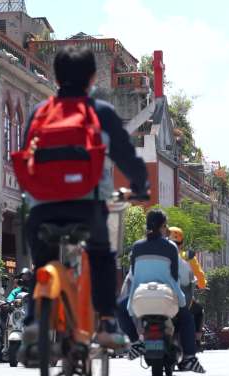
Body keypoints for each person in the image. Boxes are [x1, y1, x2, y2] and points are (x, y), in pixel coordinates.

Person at [21, 45, 149, 348]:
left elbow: (25, 158)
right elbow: (127, 158)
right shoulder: (100, 113)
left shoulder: (40, 113)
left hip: (43, 208)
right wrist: (141, 186)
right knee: (103, 255)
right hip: (87, 206)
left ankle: (36, 317)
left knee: (42, 260)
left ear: (55, 76)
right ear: (93, 77)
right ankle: (105, 322)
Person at [119, 209, 205, 373]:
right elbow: (174, 277)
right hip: (165, 298)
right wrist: (180, 300)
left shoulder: (137, 247)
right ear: (163, 227)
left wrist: (130, 300)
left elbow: (134, 274)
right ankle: (189, 358)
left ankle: (136, 342)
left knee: (119, 310)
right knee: (187, 318)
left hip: (140, 297)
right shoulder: (171, 247)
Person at [168, 227, 207, 348]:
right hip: (183, 298)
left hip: (162, 297)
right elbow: (200, 277)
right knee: (199, 310)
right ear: (182, 243)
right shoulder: (187, 257)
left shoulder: (160, 256)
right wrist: (202, 285)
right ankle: (197, 339)